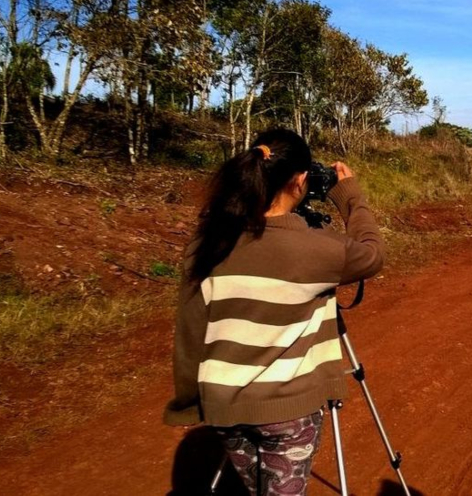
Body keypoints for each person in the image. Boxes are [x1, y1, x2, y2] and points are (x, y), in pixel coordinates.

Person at [164, 128, 385, 495]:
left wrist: (191, 404)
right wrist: (350, 197)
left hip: (223, 408)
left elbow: (190, 330)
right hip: (288, 413)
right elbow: (372, 254)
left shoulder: (208, 241)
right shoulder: (316, 249)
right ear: (300, 180)